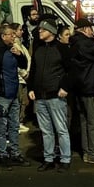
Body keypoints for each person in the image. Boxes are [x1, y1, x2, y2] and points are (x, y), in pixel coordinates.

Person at [28, 18, 72, 172]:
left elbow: (71, 70)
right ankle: (49, 158)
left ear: (51, 32)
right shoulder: (39, 49)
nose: (39, 31)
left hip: (55, 95)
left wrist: (65, 87)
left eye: (43, 29)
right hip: (40, 95)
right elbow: (33, 70)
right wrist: (31, 88)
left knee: (61, 129)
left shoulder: (62, 49)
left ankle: (65, 158)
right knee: (46, 130)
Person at [0, 22, 29, 168]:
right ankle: (3, 154)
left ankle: (15, 153)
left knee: (14, 125)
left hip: (14, 94)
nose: (14, 36)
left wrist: (20, 55)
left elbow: (23, 65)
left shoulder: (13, 50)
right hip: (2, 95)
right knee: (2, 126)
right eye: (11, 34)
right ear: (4, 36)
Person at [68, 17, 94, 164]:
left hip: (80, 87)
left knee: (84, 120)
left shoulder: (74, 43)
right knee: (93, 120)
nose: (92, 31)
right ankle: (93, 152)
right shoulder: (84, 43)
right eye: (90, 28)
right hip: (90, 86)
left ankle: (87, 151)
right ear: (85, 29)